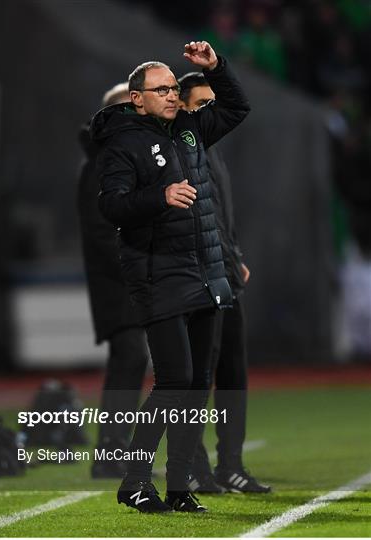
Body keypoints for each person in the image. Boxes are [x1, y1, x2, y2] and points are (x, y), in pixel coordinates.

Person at [90, 41, 250, 513]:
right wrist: (159, 197)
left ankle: (179, 485)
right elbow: (111, 206)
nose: (171, 96)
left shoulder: (188, 130)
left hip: (202, 269)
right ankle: (135, 479)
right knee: (174, 379)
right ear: (136, 98)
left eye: (173, 89)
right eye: (160, 90)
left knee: (198, 383)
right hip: (158, 272)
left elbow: (238, 106)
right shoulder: (122, 143)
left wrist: (216, 68)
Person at [178, 72, 271, 494]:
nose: (208, 113)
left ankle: (230, 464)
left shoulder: (210, 152)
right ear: (181, 107)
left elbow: (221, 216)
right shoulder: (178, 148)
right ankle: (191, 465)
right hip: (197, 277)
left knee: (233, 372)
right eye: (200, 105)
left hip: (226, 273)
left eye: (210, 105)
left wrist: (235, 258)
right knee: (197, 374)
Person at [78, 83, 150, 479]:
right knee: (131, 356)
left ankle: (112, 449)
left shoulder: (112, 159)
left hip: (124, 277)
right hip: (117, 280)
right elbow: (103, 231)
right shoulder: (103, 164)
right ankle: (110, 451)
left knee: (130, 359)